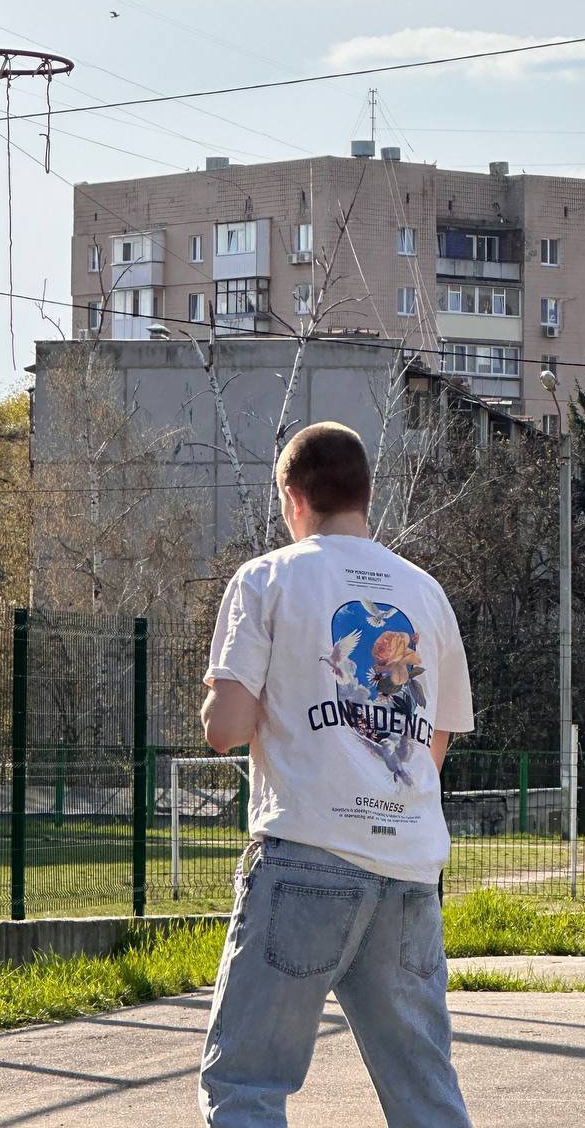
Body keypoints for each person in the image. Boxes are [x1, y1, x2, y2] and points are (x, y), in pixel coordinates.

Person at [198, 421, 474, 1127]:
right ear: (366, 496)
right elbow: (435, 740)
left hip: (307, 856)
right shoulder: (426, 593)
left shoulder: (268, 578)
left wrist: (223, 699)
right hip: (408, 868)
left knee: (247, 1085)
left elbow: (226, 730)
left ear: (293, 498)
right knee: (425, 1096)